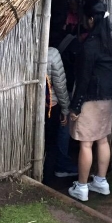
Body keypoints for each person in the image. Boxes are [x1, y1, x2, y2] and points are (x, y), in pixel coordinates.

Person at [68, 0, 112, 201]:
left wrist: (75, 106)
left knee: (85, 144)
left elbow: (83, 79)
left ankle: (82, 187)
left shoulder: (89, 45)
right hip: (107, 98)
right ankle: (101, 182)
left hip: (90, 97)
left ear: (91, 19)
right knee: (102, 140)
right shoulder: (108, 41)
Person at [45, 34, 79, 178]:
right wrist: (65, 109)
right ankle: (49, 175)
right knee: (51, 143)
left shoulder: (23, 51)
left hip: (28, 106)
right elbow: (60, 86)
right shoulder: (52, 54)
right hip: (50, 107)